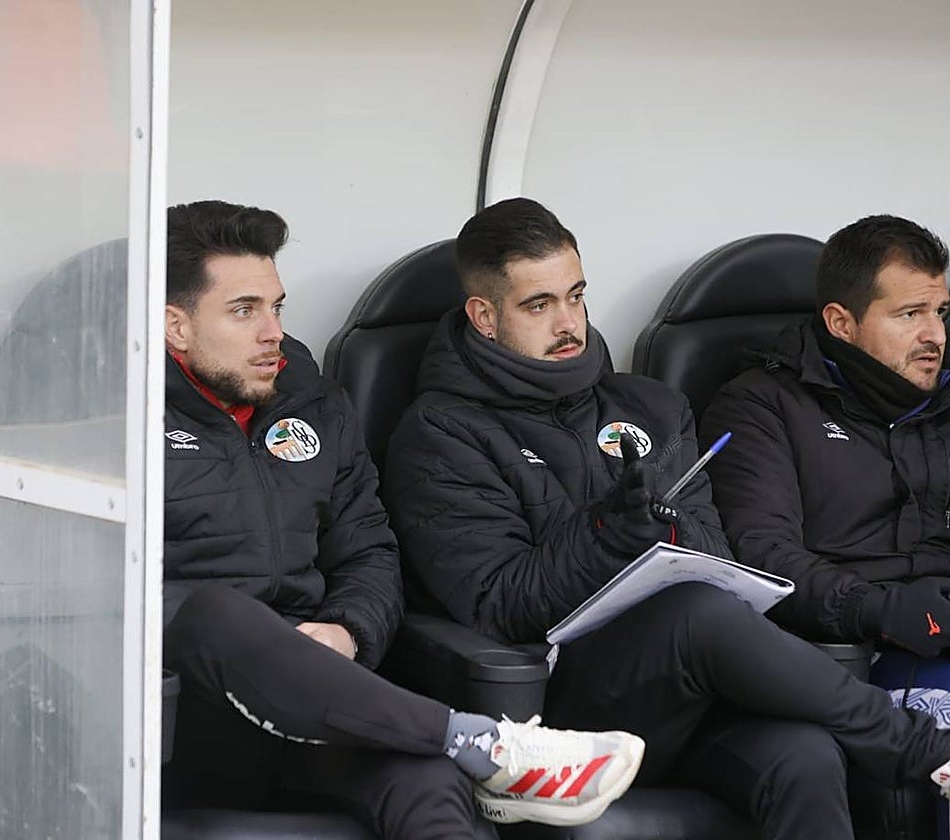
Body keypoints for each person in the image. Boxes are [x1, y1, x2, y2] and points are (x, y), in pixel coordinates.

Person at [382, 197, 950, 840]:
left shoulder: (651, 406)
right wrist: (604, 534)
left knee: (805, 756)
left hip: (687, 690)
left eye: (576, 296)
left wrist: (665, 532)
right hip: (555, 705)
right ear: (485, 317)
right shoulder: (440, 433)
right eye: (538, 306)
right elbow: (497, 603)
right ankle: (918, 747)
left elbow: (718, 555)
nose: (568, 323)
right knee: (696, 613)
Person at [160, 199, 646, 838]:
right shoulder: (122, 418)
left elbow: (368, 551)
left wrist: (347, 629)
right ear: (175, 327)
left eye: (276, 307)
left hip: (322, 701)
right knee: (214, 613)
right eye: (244, 311)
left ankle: (463, 750)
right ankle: (482, 742)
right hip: (181, 719)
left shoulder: (315, 404)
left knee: (428, 782)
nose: (273, 332)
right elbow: (95, 594)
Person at [701, 216, 950, 712]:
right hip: (846, 653)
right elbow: (762, 554)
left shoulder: (942, 401)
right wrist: (880, 609)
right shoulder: (761, 406)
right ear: (841, 323)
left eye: (941, 312)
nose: (935, 335)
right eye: (910, 314)